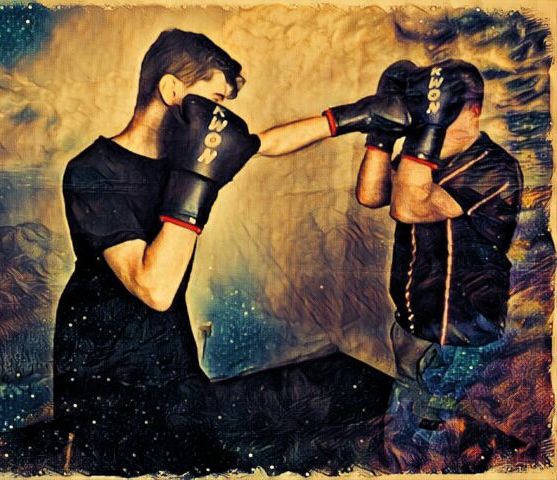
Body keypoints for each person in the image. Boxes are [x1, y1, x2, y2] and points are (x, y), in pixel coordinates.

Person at [52, 28, 412, 476]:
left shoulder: (184, 155)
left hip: (168, 357)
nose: (220, 116)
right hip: (104, 376)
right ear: (171, 90)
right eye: (215, 100)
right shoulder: (93, 171)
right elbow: (154, 287)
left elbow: (267, 143)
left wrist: (358, 115)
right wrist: (195, 181)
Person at [352, 59, 523, 472]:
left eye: (445, 111)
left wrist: (424, 132)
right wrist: (382, 133)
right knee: (404, 423)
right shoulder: (422, 157)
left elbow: (410, 207)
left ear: (474, 111)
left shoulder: (495, 167)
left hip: (460, 332)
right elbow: (371, 195)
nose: (434, 121)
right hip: (414, 321)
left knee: (435, 439)